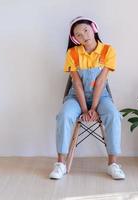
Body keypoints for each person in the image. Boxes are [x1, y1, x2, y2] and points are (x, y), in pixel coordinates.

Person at [49, 16, 125, 180]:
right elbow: (76, 83)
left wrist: (94, 108)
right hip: (76, 97)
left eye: (86, 30)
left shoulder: (108, 51)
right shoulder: (72, 53)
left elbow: (101, 81)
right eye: (78, 34)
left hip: (101, 96)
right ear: (74, 39)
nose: (84, 36)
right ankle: (60, 164)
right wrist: (85, 110)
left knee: (113, 115)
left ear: (94, 28)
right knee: (64, 115)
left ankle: (113, 164)